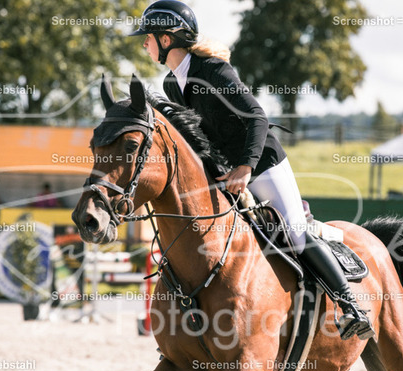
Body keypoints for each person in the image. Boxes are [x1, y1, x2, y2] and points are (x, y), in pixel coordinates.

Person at [129, 0, 373, 340]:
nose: (144, 43)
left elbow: (257, 117)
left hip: (261, 163)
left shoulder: (213, 70)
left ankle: (351, 306)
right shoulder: (172, 84)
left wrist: (245, 167)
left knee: (295, 232)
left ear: (166, 39)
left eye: (148, 37)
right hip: (225, 171)